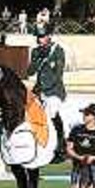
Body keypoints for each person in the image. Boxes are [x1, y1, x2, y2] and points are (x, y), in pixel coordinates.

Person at [26, 24, 67, 159]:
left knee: (51, 111)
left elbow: (57, 74)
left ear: (49, 36)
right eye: (38, 37)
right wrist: (38, 60)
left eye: (42, 37)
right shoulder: (36, 51)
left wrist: (44, 89)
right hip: (39, 90)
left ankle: (61, 145)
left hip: (54, 91)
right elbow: (30, 71)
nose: (39, 39)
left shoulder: (58, 51)